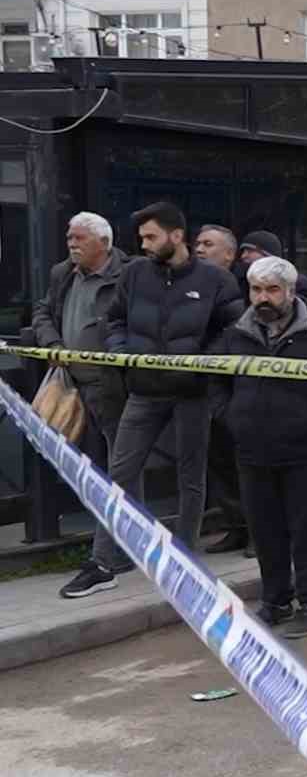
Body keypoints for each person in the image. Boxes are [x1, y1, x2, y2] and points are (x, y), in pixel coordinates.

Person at [61, 202, 242, 603]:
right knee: (119, 475)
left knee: (191, 480)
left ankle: (184, 560)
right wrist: (122, 353)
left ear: (176, 236)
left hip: (193, 393)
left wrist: (200, 361)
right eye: (141, 237)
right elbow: (115, 319)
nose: (143, 245)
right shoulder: (135, 274)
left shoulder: (215, 279)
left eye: (151, 237)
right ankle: (104, 563)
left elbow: (231, 329)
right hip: (143, 392)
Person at [211, 256, 307, 639]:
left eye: (272, 290)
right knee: (265, 530)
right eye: (257, 289)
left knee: (306, 530)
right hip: (252, 450)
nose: (263, 297)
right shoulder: (235, 334)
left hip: (304, 452)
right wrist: (231, 418)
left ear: (290, 292)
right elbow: (215, 382)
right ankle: (275, 601)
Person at [35, 213, 134, 598]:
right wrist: (53, 344)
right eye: (69, 237)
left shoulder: (128, 273)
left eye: (79, 238)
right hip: (71, 385)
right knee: (93, 466)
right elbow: (43, 311)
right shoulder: (64, 273)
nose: (71, 244)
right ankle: (111, 546)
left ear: (103, 244)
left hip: (112, 386)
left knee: (121, 468)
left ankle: (116, 551)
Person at [191, 224, 252, 556]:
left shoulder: (248, 286)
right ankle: (237, 526)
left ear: (229, 254)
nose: (199, 249)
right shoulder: (191, 284)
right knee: (219, 462)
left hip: (240, 388)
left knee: (245, 462)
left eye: (208, 244)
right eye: (197, 243)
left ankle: (260, 531)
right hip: (205, 387)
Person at [235, 229, 307, 303]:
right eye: (243, 251)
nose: (243, 256)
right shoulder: (240, 280)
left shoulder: (296, 282)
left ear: (267, 254)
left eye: (250, 251)